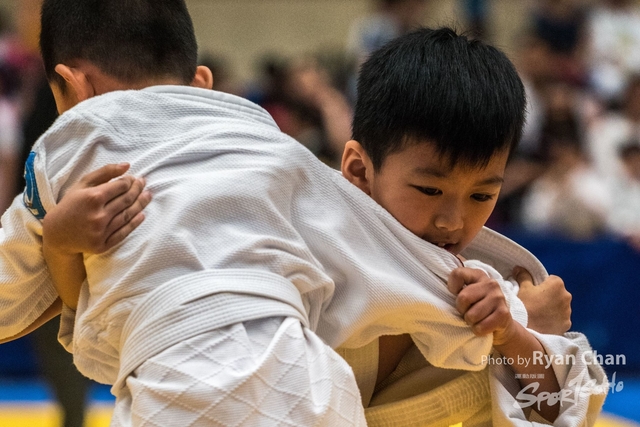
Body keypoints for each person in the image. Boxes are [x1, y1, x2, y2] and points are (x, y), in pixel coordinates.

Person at [27, 21, 604, 425]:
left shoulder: (482, 297)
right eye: (429, 189)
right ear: (356, 169)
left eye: (483, 194)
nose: (453, 218)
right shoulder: (278, 227)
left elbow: (561, 406)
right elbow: (125, 326)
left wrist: (516, 335)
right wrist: (58, 244)